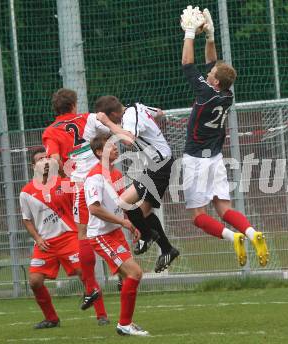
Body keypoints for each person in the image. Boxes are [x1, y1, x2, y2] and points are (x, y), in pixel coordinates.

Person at [179, 6, 269, 266]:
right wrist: (209, 36)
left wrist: (189, 33)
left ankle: (234, 238)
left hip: (196, 160)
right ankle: (251, 233)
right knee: (225, 209)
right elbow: (213, 64)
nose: (209, 73)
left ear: (215, 82)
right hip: (216, 158)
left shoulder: (206, 93)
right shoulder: (227, 94)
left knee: (198, 215)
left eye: (212, 75)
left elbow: (187, 63)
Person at [42, 88, 111, 317]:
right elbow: (109, 131)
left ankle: (95, 291)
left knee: (84, 235)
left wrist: (55, 170)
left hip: (81, 186)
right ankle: (120, 276)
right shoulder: (88, 118)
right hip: (104, 178)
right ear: (73, 104)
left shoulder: (51, 131)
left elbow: (53, 161)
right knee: (114, 226)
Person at [20, 147, 106, 328]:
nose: (44, 162)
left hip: (69, 237)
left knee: (85, 273)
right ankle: (51, 319)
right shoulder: (26, 192)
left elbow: (82, 203)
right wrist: (37, 238)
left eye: (47, 158)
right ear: (33, 165)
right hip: (45, 243)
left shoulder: (66, 183)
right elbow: (27, 220)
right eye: (40, 159)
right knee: (34, 282)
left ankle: (102, 316)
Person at [95, 95, 180, 273]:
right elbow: (159, 112)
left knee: (124, 202)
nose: (112, 124)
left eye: (110, 119)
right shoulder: (137, 106)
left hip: (160, 166)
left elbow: (128, 140)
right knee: (143, 213)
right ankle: (167, 249)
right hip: (157, 165)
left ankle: (149, 236)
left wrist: (108, 124)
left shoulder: (129, 117)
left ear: (114, 114)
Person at [85, 134, 148, 336]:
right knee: (135, 273)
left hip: (115, 232)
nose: (115, 149)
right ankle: (124, 324)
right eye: (109, 146)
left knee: (129, 276)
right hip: (101, 235)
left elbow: (123, 204)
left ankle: (126, 323)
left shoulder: (117, 174)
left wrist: (134, 225)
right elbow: (94, 209)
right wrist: (123, 222)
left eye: (114, 146)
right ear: (98, 152)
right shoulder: (94, 177)